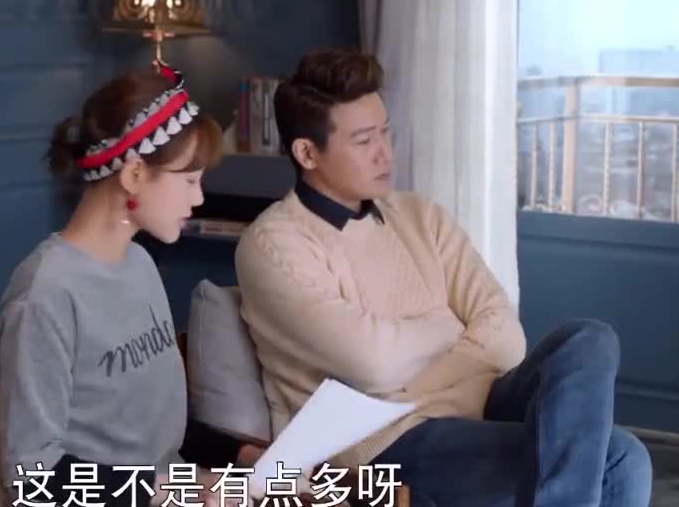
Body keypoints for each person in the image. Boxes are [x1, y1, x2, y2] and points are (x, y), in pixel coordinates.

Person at [233, 49, 653, 507]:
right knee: (621, 457)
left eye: (385, 132)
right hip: (381, 441)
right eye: (364, 140)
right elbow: (374, 364)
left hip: (479, 402)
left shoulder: (420, 216)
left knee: (590, 339)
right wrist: (449, 327)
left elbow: (505, 339)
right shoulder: (274, 244)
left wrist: (408, 372)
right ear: (307, 153)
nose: (385, 152)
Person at [0, 63, 260, 507]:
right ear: (134, 174)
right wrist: (176, 490)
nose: (198, 197)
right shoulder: (45, 295)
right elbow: (30, 478)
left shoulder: (139, 264)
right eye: (189, 180)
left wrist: (245, 455)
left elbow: (158, 433)